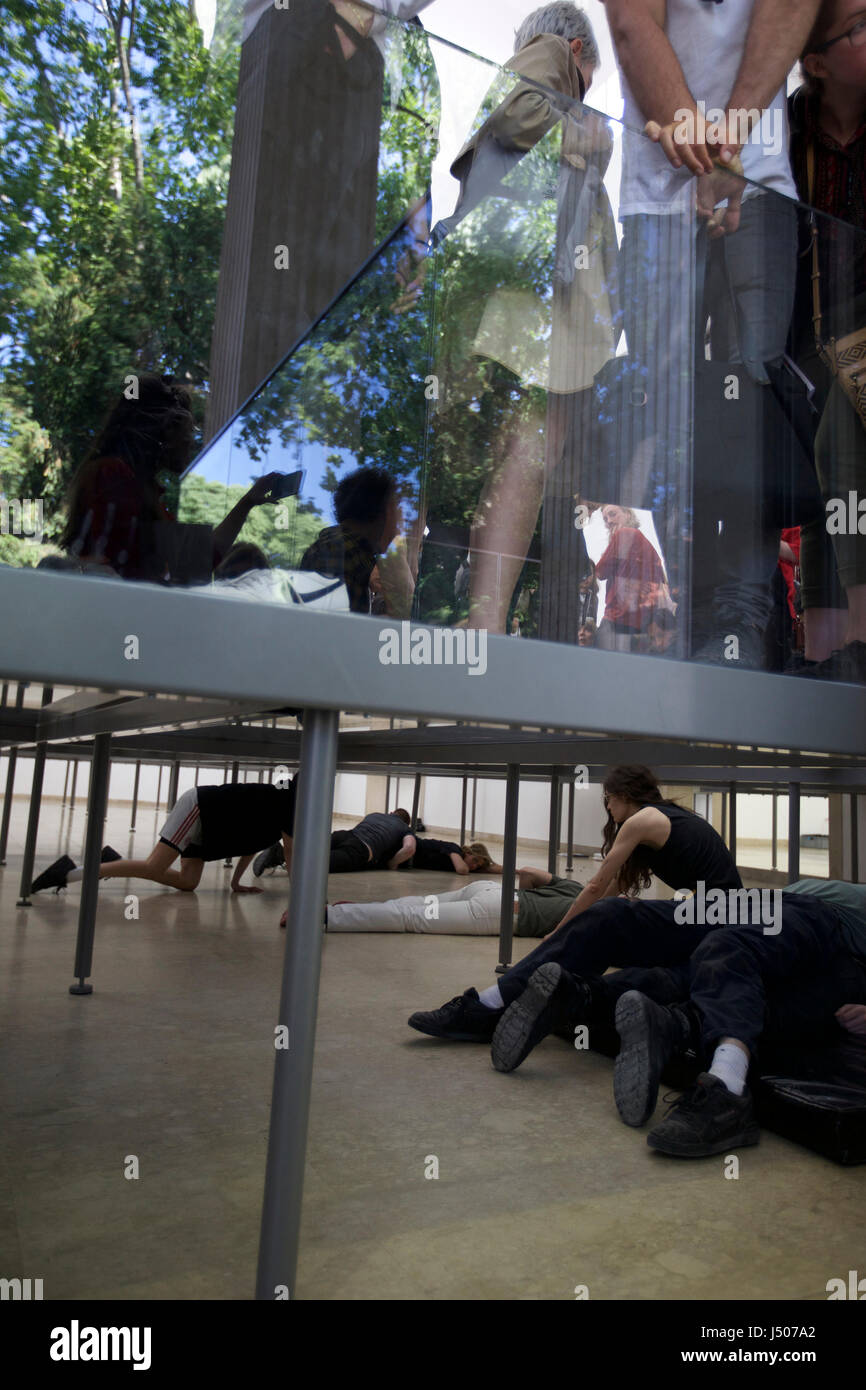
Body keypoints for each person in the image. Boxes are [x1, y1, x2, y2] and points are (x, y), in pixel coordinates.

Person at [603, 0, 824, 667]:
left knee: (748, 403)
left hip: (758, 187)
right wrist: (704, 144)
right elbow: (629, 20)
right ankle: (681, 612)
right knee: (662, 405)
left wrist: (725, 147)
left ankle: (743, 621)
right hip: (654, 195)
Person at [427, 4, 617, 634]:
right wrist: (583, 135)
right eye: (587, 81)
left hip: (521, 293)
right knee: (528, 455)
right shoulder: (556, 55)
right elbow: (515, 111)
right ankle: (483, 622)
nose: (586, 95)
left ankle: (475, 619)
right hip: (539, 301)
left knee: (513, 457)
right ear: (573, 48)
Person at [408, 764, 741, 1040]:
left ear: (624, 796)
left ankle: (491, 1004)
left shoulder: (643, 820)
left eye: (608, 800)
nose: (608, 809)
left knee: (608, 914)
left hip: (716, 919)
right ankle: (509, 1003)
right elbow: (611, 887)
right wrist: (576, 927)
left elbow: (596, 886)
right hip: (712, 918)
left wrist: (560, 929)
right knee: (603, 921)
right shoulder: (660, 822)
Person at [612, 876, 866, 1155]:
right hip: (776, 909)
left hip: (815, 930)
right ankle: (583, 991)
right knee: (700, 967)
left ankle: (724, 1083)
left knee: (727, 954)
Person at [789, 0, 866, 683]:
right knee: (814, 485)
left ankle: (862, 638)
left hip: (863, 332)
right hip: (809, 339)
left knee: (840, 450)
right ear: (816, 63)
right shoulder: (788, 129)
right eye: (860, 27)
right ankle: (822, 652)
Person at [55, 374, 292, 583]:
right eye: (189, 431)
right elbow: (127, 573)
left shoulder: (132, 484)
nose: (191, 442)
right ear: (167, 430)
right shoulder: (114, 476)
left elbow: (197, 557)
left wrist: (248, 501)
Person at [31, 778, 297, 896]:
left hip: (210, 827)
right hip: (200, 809)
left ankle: (112, 862)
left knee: (188, 882)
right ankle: (69, 873)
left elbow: (252, 839)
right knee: (153, 867)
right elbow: (290, 854)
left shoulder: (282, 807)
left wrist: (236, 883)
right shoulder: (290, 804)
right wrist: (299, 902)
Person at [298, 465, 412, 615]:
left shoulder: (338, 549)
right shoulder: (346, 554)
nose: (402, 523)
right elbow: (340, 634)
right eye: (399, 510)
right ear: (388, 510)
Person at [594, 505, 674, 653]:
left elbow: (599, 572)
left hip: (616, 619)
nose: (609, 521)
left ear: (628, 515)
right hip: (642, 625)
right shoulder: (649, 547)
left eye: (613, 514)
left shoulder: (624, 533)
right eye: (605, 519)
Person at [398, 838, 502, 874]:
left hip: (405, 860)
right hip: (402, 846)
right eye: (475, 860)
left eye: (478, 866)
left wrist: (515, 872)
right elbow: (462, 870)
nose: (474, 867)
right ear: (468, 853)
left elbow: (490, 868)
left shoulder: (467, 863)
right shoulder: (455, 849)